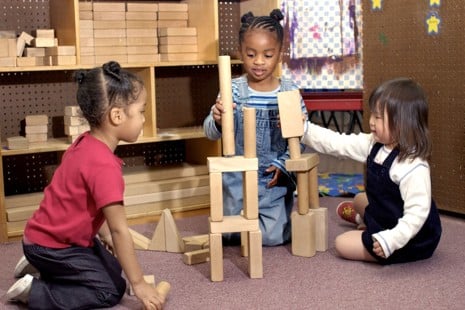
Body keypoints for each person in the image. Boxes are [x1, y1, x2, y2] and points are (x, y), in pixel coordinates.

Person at [6, 61, 167, 309]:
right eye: (142, 111)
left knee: (114, 271)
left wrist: (103, 236)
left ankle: (41, 265)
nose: (145, 119)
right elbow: (119, 230)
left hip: (53, 238)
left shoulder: (85, 142)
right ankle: (35, 291)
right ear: (117, 115)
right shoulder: (104, 166)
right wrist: (139, 283)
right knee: (110, 291)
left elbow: (81, 203)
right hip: (52, 245)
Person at [301, 77, 442, 264]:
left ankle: (368, 226)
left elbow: (417, 216)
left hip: (409, 238)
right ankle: (363, 219)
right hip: (389, 214)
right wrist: (305, 130)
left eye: (378, 117)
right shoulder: (373, 144)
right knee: (360, 199)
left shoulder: (414, 166)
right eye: (371, 115)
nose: (371, 122)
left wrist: (390, 241)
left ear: (402, 123)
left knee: (342, 243)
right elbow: (338, 143)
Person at [203, 9, 308, 246]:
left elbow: (301, 137)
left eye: (268, 55)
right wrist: (217, 119)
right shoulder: (232, 88)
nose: (259, 62)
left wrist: (283, 163)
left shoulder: (289, 90)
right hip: (237, 177)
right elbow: (209, 132)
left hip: (273, 177)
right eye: (251, 54)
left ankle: (265, 223)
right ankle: (247, 227)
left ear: (279, 54)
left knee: (273, 237)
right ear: (241, 52)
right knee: (230, 233)